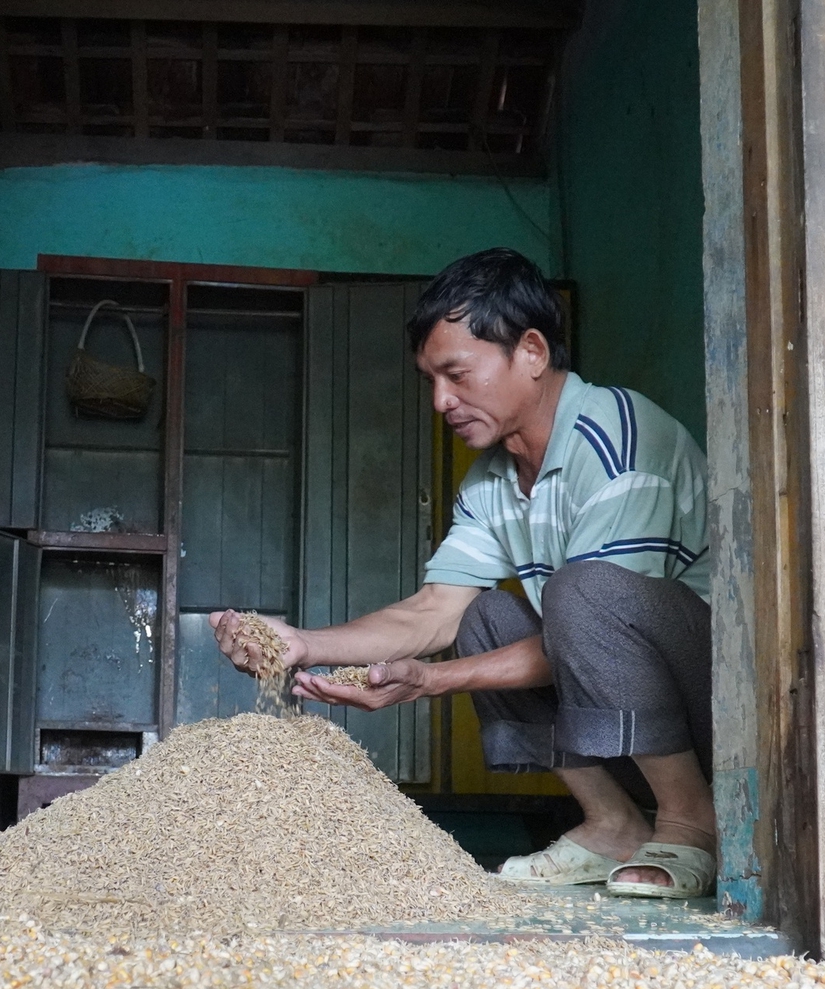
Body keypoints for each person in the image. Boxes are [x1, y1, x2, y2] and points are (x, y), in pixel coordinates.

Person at [211, 248, 713, 896]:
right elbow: (435, 610)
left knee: (580, 591)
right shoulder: (495, 478)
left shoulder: (616, 439)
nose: (442, 401)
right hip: (630, 711)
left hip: (716, 708)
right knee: (484, 615)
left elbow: (596, 615)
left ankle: (692, 820)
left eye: (457, 374)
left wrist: (432, 680)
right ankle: (613, 822)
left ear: (531, 351)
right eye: (431, 381)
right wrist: (304, 644)